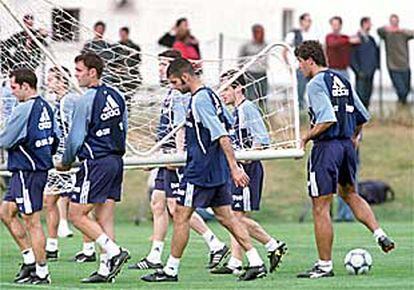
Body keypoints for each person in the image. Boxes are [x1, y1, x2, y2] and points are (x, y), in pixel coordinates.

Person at [141, 58, 267, 283]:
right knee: (226, 217)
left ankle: (170, 269)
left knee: (181, 215)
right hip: (216, 170)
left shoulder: (199, 100)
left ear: (186, 77)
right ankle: (256, 261)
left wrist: (235, 168)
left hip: (200, 170)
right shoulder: (211, 95)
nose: (173, 87)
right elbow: (228, 122)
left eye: (174, 82)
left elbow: (222, 134)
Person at [294, 40, 395, 279]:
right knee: (350, 194)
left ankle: (324, 265)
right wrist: (356, 136)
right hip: (347, 148)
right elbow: (362, 114)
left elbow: (327, 118)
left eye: (299, 62)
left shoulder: (315, 83)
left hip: (327, 148)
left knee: (321, 207)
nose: (299, 67)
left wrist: (304, 137)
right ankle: (379, 233)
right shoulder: (342, 79)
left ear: (310, 60)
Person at [128, 50, 228, 271]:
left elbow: (182, 128)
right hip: (166, 153)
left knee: (177, 208)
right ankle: (155, 255)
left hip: (176, 157)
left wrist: (178, 157)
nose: (160, 67)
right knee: (157, 202)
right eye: (160, 63)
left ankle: (215, 243)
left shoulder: (182, 95)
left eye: (164, 64)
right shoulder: (170, 93)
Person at [56, 52, 130, 283]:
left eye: (78, 71)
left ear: (92, 72)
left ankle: (115, 252)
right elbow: (124, 128)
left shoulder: (85, 99)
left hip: (96, 162)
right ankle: (106, 270)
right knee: (104, 217)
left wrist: (65, 162)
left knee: (76, 214)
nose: (75, 76)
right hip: (116, 161)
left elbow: (75, 138)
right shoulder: (117, 95)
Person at [211, 70, 287, 275]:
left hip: (247, 169)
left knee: (235, 217)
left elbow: (262, 140)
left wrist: (245, 158)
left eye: (226, 88)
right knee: (234, 215)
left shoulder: (248, 109)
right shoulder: (232, 112)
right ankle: (235, 262)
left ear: (239, 88)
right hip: (236, 169)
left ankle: (272, 244)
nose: (222, 93)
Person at [0, 68, 58, 284]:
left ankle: (42, 272)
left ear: (26, 86)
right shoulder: (46, 106)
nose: (12, 92)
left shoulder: (23, 108)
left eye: (14, 87)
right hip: (31, 169)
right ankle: (29, 259)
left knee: (32, 220)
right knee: (6, 212)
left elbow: (5, 140)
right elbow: (55, 138)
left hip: (28, 170)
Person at [43, 66, 79, 260]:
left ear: (61, 81)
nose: (48, 83)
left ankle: (89, 249)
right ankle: (52, 246)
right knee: (50, 201)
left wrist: (67, 156)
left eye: (52, 79)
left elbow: (72, 130)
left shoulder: (69, 101)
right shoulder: (57, 102)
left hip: (68, 160)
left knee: (79, 204)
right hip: (58, 157)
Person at [378, 14, 414, 105]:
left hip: (405, 65)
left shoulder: (403, 33)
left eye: (395, 21)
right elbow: (379, 31)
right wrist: (387, 28)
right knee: (401, 90)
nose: (394, 23)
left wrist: (401, 30)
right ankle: (401, 105)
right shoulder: (387, 33)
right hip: (393, 66)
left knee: (406, 90)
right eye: (392, 21)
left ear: (398, 22)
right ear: (390, 22)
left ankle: (402, 107)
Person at [284, 13, 317, 109]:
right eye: (306, 20)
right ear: (301, 21)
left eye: (310, 21)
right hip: (299, 67)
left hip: (311, 67)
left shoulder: (313, 35)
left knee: (312, 90)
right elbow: (285, 51)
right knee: (300, 91)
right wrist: (289, 66)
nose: (308, 23)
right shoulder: (294, 34)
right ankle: (300, 113)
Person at [350, 17, 379, 109]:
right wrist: (358, 71)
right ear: (364, 24)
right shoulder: (356, 39)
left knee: (368, 95)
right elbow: (352, 57)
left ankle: (366, 117)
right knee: (360, 96)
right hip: (361, 73)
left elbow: (376, 53)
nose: (370, 25)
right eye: (369, 23)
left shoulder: (371, 39)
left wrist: (376, 67)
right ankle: (359, 118)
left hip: (370, 72)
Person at [239, 24, 268, 108]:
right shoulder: (247, 46)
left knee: (262, 96)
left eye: (262, 33)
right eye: (259, 32)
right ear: (254, 33)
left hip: (262, 74)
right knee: (251, 96)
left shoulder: (265, 45)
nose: (261, 35)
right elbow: (240, 60)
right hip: (250, 74)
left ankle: (262, 113)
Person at [113, 26, 142, 102]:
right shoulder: (117, 47)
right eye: (121, 34)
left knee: (128, 97)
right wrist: (117, 68)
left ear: (127, 34)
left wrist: (127, 68)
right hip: (119, 76)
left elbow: (137, 60)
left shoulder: (134, 47)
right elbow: (113, 60)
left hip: (130, 76)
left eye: (123, 34)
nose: (122, 36)